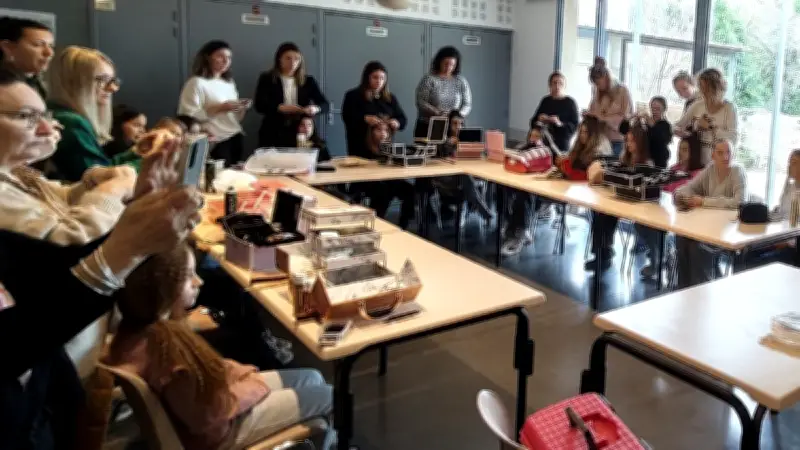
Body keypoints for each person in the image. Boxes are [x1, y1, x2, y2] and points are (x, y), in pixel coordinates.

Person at [0, 140, 203, 450]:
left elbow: (45, 265)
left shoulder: (18, 183)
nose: (47, 127)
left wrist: (136, 215)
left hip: (50, 403)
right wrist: (124, 246)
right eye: (25, 116)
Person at [105, 243, 334, 450]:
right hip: (220, 432)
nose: (199, 281)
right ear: (166, 288)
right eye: (188, 277)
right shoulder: (167, 350)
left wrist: (237, 375)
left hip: (217, 404)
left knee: (312, 376)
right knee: (332, 395)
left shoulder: (139, 330)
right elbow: (209, 415)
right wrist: (252, 384)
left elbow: (206, 382)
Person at [47, 46, 140, 182]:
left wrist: (136, 152)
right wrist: (154, 158)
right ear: (75, 81)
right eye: (102, 80)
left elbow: (102, 167)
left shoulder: (62, 114)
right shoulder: (72, 123)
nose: (113, 88)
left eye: (113, 81)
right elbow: (99, 179)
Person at [674, 139, 747, 288]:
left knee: (696, 248)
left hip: (727, 231)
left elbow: (739, 202)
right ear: (713, 155)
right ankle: (683, 290)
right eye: (720, 153)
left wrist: (704, 201)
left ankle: (700, 290)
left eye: (728, 153)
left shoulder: (737, 172)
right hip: (706, 226)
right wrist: (679, 195)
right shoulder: (710, 169)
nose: (725, 157)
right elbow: (691, 186)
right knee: (681, 239)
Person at [635, 137, 705, 280]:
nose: (680, 152)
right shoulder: (673, 169)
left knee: (657, 230)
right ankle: (663, 255)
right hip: (667, 213)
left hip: (687, 217)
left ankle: (658, 260)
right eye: (679, 148)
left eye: (685, 149)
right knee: (640, 224)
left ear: (694, 152)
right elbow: (663, 191)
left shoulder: (700, 173)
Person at [586, 121, 651, 271]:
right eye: (627, 140)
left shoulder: (646, 163)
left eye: (632, 141)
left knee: (605, 215)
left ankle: (605, 253)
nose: (629, 144)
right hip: (621, 199)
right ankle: (601, 253)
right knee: (600, 213)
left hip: (637, 204)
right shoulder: (624, 159)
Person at [178, 41, 250, 167]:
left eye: (229, 57)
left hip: (235, 136)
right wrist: (220, 108)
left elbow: (234, 118)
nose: (225, 61)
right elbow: (187, 116)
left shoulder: (229, 83)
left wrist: (240, 108)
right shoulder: (196, 83)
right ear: (207, 57)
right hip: (215, 139)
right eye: (220, 56)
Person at [254, 42, 328, 149]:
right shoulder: (267, 79)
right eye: (288, 58)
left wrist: (315, 108)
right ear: (279, 59)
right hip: (273, 129)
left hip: (300, 131)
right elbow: (259, 105)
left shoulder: (308, 81)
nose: (292, 62)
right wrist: (280, 108)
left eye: (297, 59)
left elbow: (325, 104)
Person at [501, 125, 557, 256]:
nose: (533, 139)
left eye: (537, 136)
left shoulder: (547, 152)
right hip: (523, 185)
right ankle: (510, 225)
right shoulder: (525, 148)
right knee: (503, 188)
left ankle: (521, 230)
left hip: (540, 191)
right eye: (532, 135)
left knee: (523, 194)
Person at [429, 110, 492, 222]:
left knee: (469, 177)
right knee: (465, 177)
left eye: (461, 124)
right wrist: (449, 144)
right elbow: (437, 157)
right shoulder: (440, 138)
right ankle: (480, 207)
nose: (458, 127)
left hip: (463, 178)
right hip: (444, 178)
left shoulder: (466, 139)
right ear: (448, 125)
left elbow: (475, 158)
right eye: (454, 123)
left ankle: (473, 206)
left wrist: (470, 147)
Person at [342, 61, 406, 159]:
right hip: (360, 148)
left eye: (382, 78)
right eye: (375, 77)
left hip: (384, 148)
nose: (379, 81)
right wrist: (364, 119)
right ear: (367, 77)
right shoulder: (353, 96)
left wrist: (397, 122)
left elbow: (402, 119)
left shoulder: (390, 98)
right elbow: (347, 117)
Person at [675, 68, 738, 164]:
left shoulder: (729, 108)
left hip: (720, 163)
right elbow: (678, 125)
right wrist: (691, 127)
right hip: (698, 161)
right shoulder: (697, 105)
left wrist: (711, 128)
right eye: (701, 88)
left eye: (706, 89)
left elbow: (733, 138)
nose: (703, 92)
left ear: (718, 88)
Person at [362, 122, 416, 229]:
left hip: (390, 180)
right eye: (379, 130)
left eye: (386, 131)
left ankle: (403, 224)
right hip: (370, 181)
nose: (383, 134)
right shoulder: (365, 149)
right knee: (383, 192)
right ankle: (376, 223)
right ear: (372, 132)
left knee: (410, 190)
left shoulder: (391, 149)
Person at [585, 57, 633, 157]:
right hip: (600, 139)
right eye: (595, 84)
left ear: (606, 76)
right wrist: (588, 115)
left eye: (598, 83)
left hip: (617, 140)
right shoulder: (596, 92)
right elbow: (593, 111)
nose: (597, 86)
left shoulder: (622, 90)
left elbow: (626, 118)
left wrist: (602, 117)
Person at [415, 46, 472, 128]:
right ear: (439, 62)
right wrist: (438, 113)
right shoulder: (429, 79)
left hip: (453, 126)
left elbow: (467, 104)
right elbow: (421, 102)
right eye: (445, 64)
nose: (448, 68)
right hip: (429, 125)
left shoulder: (461, 81)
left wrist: (457, 115)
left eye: (452, 65)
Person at [0, 17, 54, 100]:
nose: (49, 53)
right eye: (38, 44)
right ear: (8, 48)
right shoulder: (4, 88)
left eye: (50, 46)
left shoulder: (37, 84)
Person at [530, 71, 580, 154]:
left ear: (564, 86)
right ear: (550, 85)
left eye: (560, 83)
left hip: (561, 146)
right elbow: (533, 122)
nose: (557, 86)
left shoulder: (570, 102)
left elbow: (575, 127)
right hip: (542, 145)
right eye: (554, 83)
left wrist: (559, 123)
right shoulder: (545, 101)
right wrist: (539, 119)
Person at [621, 96, 672, 168]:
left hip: (658, 162)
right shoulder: (645, 124)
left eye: (658, 109)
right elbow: (623, 130)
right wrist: (631, 117)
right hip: (642, 159)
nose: (654, 111)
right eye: (653, 108)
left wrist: (651, 123)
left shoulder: (666, 125)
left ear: (664, 109)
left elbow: (662, 140)